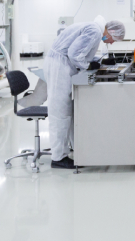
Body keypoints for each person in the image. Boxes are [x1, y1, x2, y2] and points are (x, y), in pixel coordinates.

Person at [44, 15, 126, 169]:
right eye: (114, 39)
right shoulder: (95, 31)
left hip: (62, 65)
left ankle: (73, 148)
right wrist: (89, 66)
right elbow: (75, 55)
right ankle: (58, 158)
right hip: (59, 67)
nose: (113, 42)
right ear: (111, 33)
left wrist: (99, 61)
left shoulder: (94, 29)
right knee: (60, 112)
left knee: (69, 111)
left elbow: (82, 52)